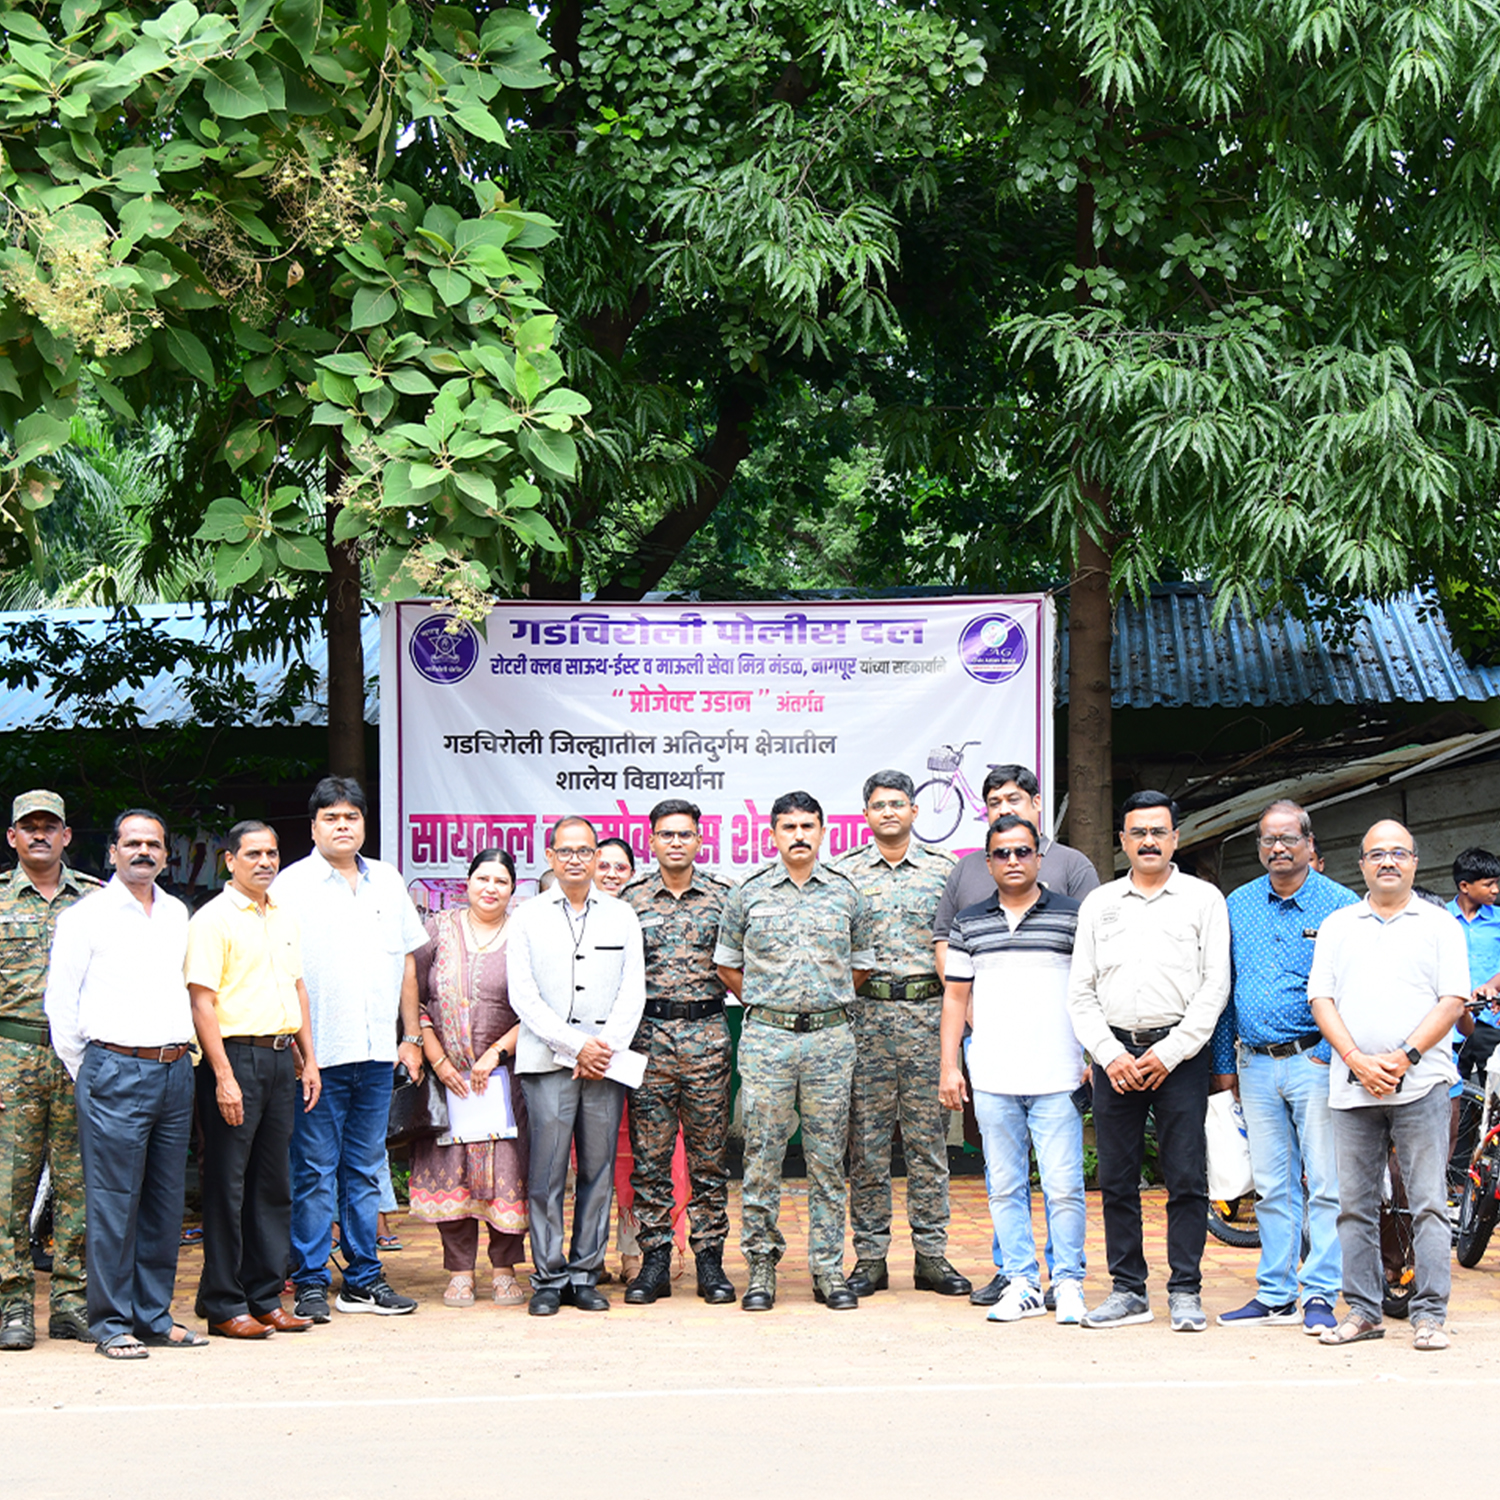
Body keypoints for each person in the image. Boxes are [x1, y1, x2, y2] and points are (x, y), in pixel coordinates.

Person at [930, 763, 1099, 1306]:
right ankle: (1022, 1281)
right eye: (1001, 854)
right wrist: (950, 1065)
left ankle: (1068, 1282)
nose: (1012, 861)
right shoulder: (970, 921)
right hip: (994, 1073)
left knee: (1065, 1186)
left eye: (1022, 852)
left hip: (1058, 1073)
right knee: (1003, 1186)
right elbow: (955, 996)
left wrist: (1095, 1053)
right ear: (988, 861)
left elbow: (1093, 989)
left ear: (1039, 858)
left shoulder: (1074, 916)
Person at [1066, 790, 1231, 1332]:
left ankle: (1185, 1289)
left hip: (1179, 1056)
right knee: (1116, 1179)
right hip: (1115, 1057)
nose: (1148, 841)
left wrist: (1169, 1051)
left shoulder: (1204, 900)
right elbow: (1080, 992)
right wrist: (1109, 1054)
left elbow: (1215, 987)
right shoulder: (1101, 904)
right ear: (1123, 841)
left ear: (1176, 838)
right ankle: (1128, 1289)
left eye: (1158, 832)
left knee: (1186, 1177)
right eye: (1138, 833)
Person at [272, 777, 429, 1321]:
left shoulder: (387, 880)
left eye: (352, 817)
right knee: (314, 1171)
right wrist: (299, 1050)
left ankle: (363, 1278)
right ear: (314, 825)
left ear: (365, 824)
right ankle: (312, 1278)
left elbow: (406, 961)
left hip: (376, 1055)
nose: (343, 826)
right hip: (318, 1058)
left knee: (365, 1168)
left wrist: (410, 1038)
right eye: (332, 818)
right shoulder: (290, 887)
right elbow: (281, 973)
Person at [1309, 819, 1469, 1351]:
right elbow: (1321, 1000)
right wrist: (1356, 1058)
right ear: (1361, 865)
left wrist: (1404, 1057)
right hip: (1352, 1086)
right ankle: (1362, 1310)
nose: (1388, 862)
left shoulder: (1440, 924)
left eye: (1399, 852)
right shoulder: (1338, 925)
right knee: (1353, 1205)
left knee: (1427, 1203)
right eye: (1376, 853)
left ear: (1415, 862)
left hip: (1421, 1084)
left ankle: (1430, 1314)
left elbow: (1453, 1000)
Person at [44, 809, 198, 1359]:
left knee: (163, 1201)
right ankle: (110, 1322)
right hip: (113, 1069)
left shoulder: (177, 912)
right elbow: (60, 1005)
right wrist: (87, 1069)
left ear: (165, 853)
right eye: (132, 843)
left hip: (175, 1070)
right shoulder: (86, 917)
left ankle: (153, 1314)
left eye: (153, 844)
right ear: (112, 851)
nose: (143, 852)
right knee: (113, 1202)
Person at [715, 791, 874, 1312]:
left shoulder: (847, 894)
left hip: (830, 1039)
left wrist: (820, 1002)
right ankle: (761, 1266)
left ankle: (828, 1269)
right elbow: (728, 967)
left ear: (824, 831)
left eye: (808, 826)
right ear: (773, 834)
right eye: (789, 827)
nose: (799, 835)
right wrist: (774, 1004)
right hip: (768, 1039)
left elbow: (860, 966)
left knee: (829, 1158)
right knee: (762, 1156)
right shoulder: (748, 894)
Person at [1210, 801, 1359, 1334]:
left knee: (1324, 1183)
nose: (1278, 848)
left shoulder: (1341, 907)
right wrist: (1225, 1064)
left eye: (1288, 839)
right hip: (1254, 1064)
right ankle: (1275, 1293)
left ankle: (1319, 1294)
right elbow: (1224, 990)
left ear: (1309, 844)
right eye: (1268, 840)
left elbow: (1355, 990)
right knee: (1272, 1186)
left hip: (1315, 1061)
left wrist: (1329, 1050)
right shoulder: (1238, 904)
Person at [831, 771, 968, 1299]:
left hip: (927, 1018)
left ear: (915, 811)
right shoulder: (844, 875)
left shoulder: (944, 872)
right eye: (878, 805)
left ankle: (932, 1256)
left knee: (928, 1144)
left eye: (898, 803)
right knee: (865, 1146)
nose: (889, 812)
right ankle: (870, 1258)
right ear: (865, 815)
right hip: (865, 1019)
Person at [186, 821, 321, 1339]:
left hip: (280, 1057)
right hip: (233, 1059)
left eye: (272, 853)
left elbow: (298, 990)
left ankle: (264, 1296)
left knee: (273, 1185)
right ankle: (223, 1303)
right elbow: (202, 1001)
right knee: (227, 1185)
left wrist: (309, 1059)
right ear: (229, 860)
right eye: (253, 854)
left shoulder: (283, 913)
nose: (265, 862)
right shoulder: (212, 919)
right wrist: (222, 1076)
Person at [507, 816, 646, 1315]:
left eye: (584, 851)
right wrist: (574, 1045)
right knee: (546, 1173)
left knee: (599, 1170)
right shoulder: (526, 916)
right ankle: (548, 1276)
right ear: (549, 856)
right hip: (547, 1062)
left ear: (595, 858)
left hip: (605, 1063)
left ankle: (586, 1274)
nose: (575, 859)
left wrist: (603, 1047)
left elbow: (634, 990)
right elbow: (522, 994)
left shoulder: (622, 915)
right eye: (565, 851)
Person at [619, 800, 734, 1306]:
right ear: (651, 840)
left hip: (708, 1033)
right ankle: (655, 1262)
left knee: (710, 1160)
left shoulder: (724, 897)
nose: (675, 843)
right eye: (666, 835)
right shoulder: (629, 900)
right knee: (650, 1160)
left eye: (685, 834)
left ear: (699, 839)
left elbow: (743, 964)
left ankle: (710, 1261)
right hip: (649, 1039)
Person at [0, 790, 100, 1351]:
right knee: (8, 1191)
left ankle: (70, 1303)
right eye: (28, 827)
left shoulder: (94, 901)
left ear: (66, 836)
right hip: (9, 1057)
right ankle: (12, 1307)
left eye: (50, 826)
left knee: (77, 1184)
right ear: (12, 837)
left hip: (77, 1058)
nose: (39, 834)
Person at [411, 849, 530, 1308]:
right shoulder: (437, 930)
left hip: (505, 1080)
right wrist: (437, 1059)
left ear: (512, 888)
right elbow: (413, 997)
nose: (490, 888)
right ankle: (459, 1270)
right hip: (449, 1080)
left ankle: (504, 1268)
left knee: (508, 1170)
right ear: (467, 882)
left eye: (501, 881)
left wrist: (497, 1052)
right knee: (452, 1171)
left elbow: (538, 1007)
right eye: (482, 878)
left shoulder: (523, 934)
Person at [593, 838, 645, 1283]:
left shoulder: (641, 916)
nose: (611, 874)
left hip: (636, 1054)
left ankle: (633, 1252)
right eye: (603, 864)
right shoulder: (569, 919)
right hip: (576, 1056)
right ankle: (588, 1255)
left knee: (634, 1159)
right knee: (587, 1161)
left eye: (621, 868)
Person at [1451, 848, 1500, 1078]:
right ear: (1464, 886)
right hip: (1450, 1024)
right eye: (1488, 884)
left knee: (1493, 1092)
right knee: (1452, 1093)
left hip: (1491, 1020)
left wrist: (1492, 984)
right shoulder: (1439, 918)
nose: (1495, 890)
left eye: (1496, 883)